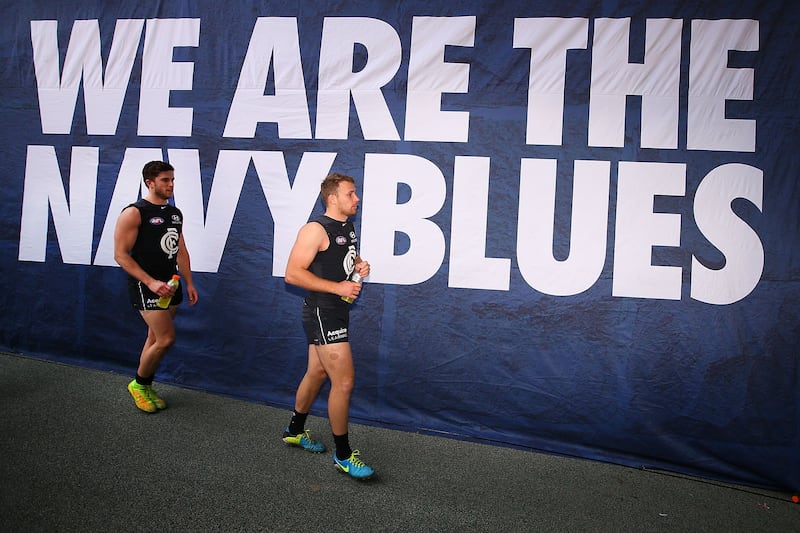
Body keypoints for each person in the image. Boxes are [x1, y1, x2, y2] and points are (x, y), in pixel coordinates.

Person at [282, 172, 374, 479]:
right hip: (324, 311)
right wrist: (338, 288)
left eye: (355, 193)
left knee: (317, 371)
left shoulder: (346, 226)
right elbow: (293, 274)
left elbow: (342, 255)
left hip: (335, 310)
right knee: (344, 383)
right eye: (350, 194)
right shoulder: (314, 229)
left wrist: (358, 263)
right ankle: (344, 455)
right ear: (332, 198)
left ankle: (294, 430)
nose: (356, 198)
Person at [114, 160, 198, 413]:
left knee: (154, 337)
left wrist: (190, 282)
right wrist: (150, 282)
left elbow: (180, 249)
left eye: (172, 180)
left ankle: (146, 384)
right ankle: (139, 384)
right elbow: (121, 255)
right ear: (150, 182)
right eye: (165, 180)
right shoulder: (134, 212)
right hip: (146, 286)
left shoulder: (174, 213)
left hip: (171, 285)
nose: (171, 185)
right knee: (166, 338)